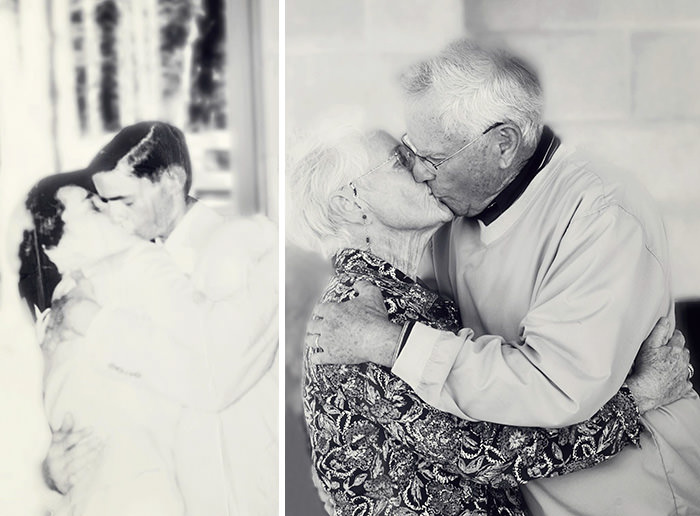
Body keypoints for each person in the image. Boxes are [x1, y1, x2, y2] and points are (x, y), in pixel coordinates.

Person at [307, 39, 700, 515]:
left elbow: (551, 392)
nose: (418, 172)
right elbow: (474, 445)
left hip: (632, 495)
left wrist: (393, 344)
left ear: (503, 144)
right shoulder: (364, 304)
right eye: (403, 155)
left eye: (428, 158)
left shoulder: (599, 213)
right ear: (349, 202)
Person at [22, 122, 278, 515]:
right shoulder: (118, 274)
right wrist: (49, 468)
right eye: (102, 203)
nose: (114, 218)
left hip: (248, 494)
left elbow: (211, 381)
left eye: (123, 202)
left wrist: (94, 324)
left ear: (172, 181)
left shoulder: (247, 249)